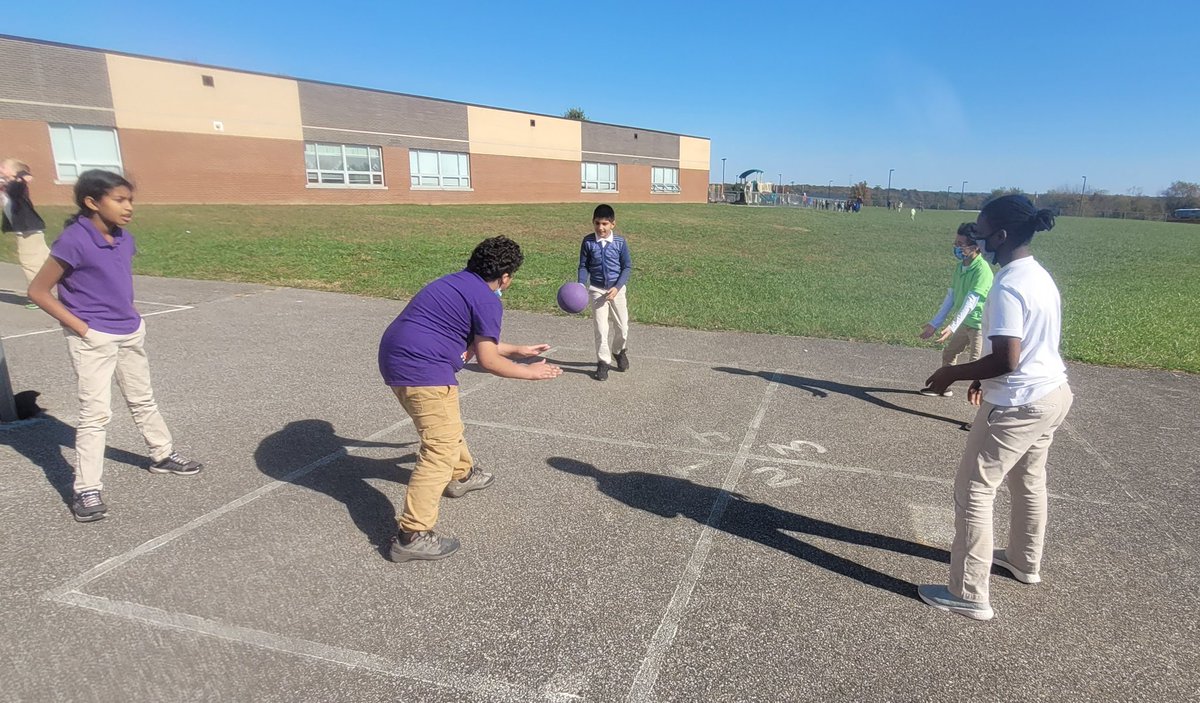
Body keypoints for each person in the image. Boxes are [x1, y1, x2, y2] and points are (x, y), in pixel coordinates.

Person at [918, 195, 1073, 621]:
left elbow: (1008, 358)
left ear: (1001, 236)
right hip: (1052, 394)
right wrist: (980, 376)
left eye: (982, 232)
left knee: (973, 490)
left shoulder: (1007, 285)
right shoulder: (1038, 275)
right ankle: (1024, 561)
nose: (977, 238)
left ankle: (968, 592)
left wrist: (954, 373)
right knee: (1029, 480)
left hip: (1017, 404)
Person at [27, 170, 203, 523]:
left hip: (129, 332)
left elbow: (116, 281)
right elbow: (38, 292)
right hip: (93, 339)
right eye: (119, 200)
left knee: (143, 398)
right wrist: (82, 328)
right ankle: (86, 489)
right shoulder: (73, 241)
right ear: (92, 203)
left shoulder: (124, 238)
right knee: (95, 414)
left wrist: (132, 317)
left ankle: (163, 455)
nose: (128, 207)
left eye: (131, 200)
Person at [379, 235, 561, 563]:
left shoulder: (454, 283)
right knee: (439, 448)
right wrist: (530, 372)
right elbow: (488, 361)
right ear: (505, 277)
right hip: (422, 367)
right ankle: (411, 534)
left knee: (447, 429)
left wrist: (517, 350)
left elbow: (476, 343)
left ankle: (461, 475)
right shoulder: (488, 299)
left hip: (397, 357)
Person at [919, 222, 994, 408]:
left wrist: (952, 326)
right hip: (965, 323)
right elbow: (951, 297)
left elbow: (971, 302)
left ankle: (982, 415)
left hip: (979, 326)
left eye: (961, 244)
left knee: (978, 367)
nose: (956, 247)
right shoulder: (960, 267)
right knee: (950, 353)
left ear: (975, 246)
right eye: (956, 242)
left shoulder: (982, 270)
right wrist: (934, 324)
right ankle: (942, 387)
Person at [577, 204, 632, 381]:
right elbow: (583, 266)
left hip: (617, 290)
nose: (601, 228)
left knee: (622, 328)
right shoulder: (588, 242)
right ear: (593, 223)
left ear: (613, 224)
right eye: (597, 223)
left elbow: (627, 267)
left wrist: (617, 287)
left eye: (605, 224)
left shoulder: (620, 243)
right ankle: (603, 362)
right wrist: (580, 284)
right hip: (597, 290)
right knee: (601, 328)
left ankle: (618, 351)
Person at [1, 158, 50, 306]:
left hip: (27, 231)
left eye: (3, 167)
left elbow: (18, 184)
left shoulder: (17, 185)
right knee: (47, 259)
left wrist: (21, 175)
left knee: (30, 262)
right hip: (31, 229)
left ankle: (37, 297)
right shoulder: (10, 185)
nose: (1, 168)